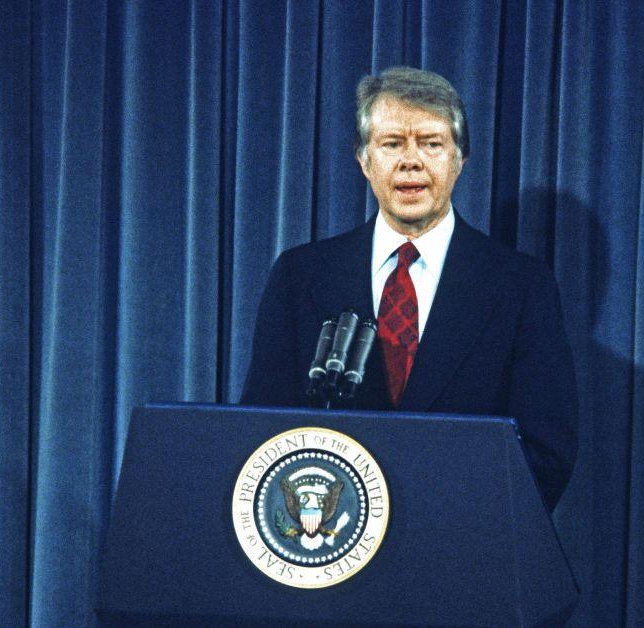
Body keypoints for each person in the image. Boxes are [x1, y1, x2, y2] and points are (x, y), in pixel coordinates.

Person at [241, 66, 578, 510]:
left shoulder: (520, 286)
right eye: (392, 143)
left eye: (431, 143)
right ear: (364, 160)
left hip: (463, 551)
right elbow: (262, 434)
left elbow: (546, 451)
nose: (411, 161)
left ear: (460, 160)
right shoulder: (300, 276)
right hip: (332, 550)